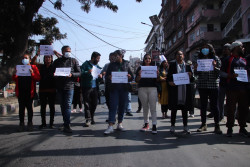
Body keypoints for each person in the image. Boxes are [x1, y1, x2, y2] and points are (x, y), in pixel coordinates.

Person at [220, 41, 249, 137]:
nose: (243, 48)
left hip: (243, 89)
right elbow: (221, 73)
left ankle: (242, 127)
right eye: (241, 46)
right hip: (232, 88)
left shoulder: (244, 60)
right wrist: (230, 76)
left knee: (243, 108)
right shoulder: (228, 60)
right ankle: (230, 128)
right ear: (236, 48)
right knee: (231, 109)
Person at [194, 43, 222, 134]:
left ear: (211, 49)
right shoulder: (199, 60)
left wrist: (215, 67)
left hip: (213, 85)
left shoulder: (216, 59)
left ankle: (217, 125)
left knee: (214, 105)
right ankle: (203, 124)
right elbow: (196, 74)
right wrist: (196, 69)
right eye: (203, 48)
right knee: (203, 105)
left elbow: (219, 73)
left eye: (207, 48)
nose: (205, 49)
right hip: (202, 85)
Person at [104, 50, 134, 135]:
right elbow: (106, 77)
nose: (114, 57)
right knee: (113, 106)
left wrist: (129, 76)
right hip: (114, 89)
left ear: (121, 55)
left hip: (124, 89)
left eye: (116, 55)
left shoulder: (127, 64)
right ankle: (110, 126)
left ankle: (120, 124)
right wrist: (109, 77)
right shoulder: (111, 65)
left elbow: (132, 77)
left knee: (122, 106)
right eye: (113, 56)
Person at [52, 45, 81, 133]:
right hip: (60, 87)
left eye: (69, 51)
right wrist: (54, 75)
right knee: (62, 106)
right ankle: (65, 122)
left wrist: (72, 75)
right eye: (66, 51)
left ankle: (67, 124)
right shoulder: (57, 61)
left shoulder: (74, 61)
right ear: (62, 52)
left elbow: (79, 73)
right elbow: (53, 72)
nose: (68, 52)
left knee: (68, 105)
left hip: (70, 86)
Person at [13, 52, 40, 131]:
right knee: (21, 108)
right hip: (21, 91)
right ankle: (21, 123)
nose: (24, 60)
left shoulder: (33, 67)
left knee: (29, 108)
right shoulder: (18, 68)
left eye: (26, 58)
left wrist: (32, 73)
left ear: (30, 60)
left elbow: (38, 78)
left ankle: (30, 123)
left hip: (29, 91)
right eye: (23, 58)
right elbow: (14, 78)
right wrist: (15, 74)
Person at [167, 51, 193, 134]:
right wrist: (170, 82)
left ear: (183, 56)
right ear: (175, 57)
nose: (179, 56)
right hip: (175, 90)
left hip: (185, 90)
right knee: (174, 109)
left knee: (184, 110)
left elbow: (193, 79)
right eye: (177, 54)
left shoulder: (188, 66)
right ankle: (172, 126)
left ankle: (185, 126)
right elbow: (168, 78)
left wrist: (191, 75)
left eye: (181, 54)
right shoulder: (172, 66)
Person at [32, 49, 57, 129]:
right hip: (42, 90)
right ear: (44, 58)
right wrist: (37, 54)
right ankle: (43, 123)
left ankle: (51, 123)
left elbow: (61, 62)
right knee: (43, 108)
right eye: (46, 57)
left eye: (49, 57)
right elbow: (32, 62)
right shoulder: (41, 66)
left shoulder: (54, 67)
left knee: (52, 107)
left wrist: (56, 54)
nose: (47, 59)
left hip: (52, 90)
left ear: (51, 58)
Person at [135, 54, 159, 134]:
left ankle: (154, 125)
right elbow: (137, 80)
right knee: (145, 107)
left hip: (153, 88)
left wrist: (158, 74)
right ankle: (146, 124)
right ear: (144, 60)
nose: (147, 60)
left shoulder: (154, 68)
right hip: (142, 88)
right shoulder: (140, 68)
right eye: (146, 58)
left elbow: (157, 79)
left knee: (153, 107)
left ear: (151, 60)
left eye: (149, 58)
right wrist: (139, 75)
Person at [81, 51, 102, 127]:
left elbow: (99, 79)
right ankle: (88, 119)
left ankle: (92, 116)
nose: (99, 60)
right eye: (98, 58)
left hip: (95, 87)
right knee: (87, 104)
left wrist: (100, 77)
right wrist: (87, 72)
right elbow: (81, 73)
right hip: (86, 87)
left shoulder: (97, 66)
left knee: (94, 103)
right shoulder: (85, 64)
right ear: (93, 58)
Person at [217, 43, 231, 122]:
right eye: (224, 49)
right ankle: (220, 115)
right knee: (220, 101)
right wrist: (227, 76)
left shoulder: (233, 59)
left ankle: (231, 118)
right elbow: (219, 71)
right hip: (222, 83)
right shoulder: (221, 59)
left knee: (231, 102)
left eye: (227, 49)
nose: (225, 50)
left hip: (231, 84)